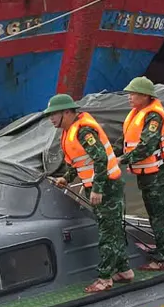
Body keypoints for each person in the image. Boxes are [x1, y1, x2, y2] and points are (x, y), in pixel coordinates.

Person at [44, 93, 134, 293]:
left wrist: (98, 189)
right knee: (111, 228)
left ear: (67, 112)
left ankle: (105, 279)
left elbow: (101, 159)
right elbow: (80, 161)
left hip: (107, 186)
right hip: (99, 185)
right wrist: (66, 178)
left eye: (53, 114)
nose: (50, 118)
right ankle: (124, 270)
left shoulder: (84, 131)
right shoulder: (70, 131)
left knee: (107, 233)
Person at [119, 76, 164, 270]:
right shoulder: (137, 114)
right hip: (147, 175)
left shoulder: (153, 116)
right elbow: (125, 141)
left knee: (161, 214)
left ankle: (163, 258)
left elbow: (147, 146)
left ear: (145, 96)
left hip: (159, 175)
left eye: (133, 93)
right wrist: (112, 154)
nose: (129, 97)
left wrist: (122, 160)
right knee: (156, 213)